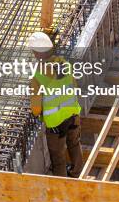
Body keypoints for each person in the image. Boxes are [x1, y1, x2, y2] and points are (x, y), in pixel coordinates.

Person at [28, 31, 83, 177]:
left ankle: (62, 185)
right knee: (74, 144)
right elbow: (75, 87)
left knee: (58, 159)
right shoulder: (64, 64)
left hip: (56, 125)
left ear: (36, 53)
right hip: (73, 114)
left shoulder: (37, 76)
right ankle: (77, 173)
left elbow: (35, 109)